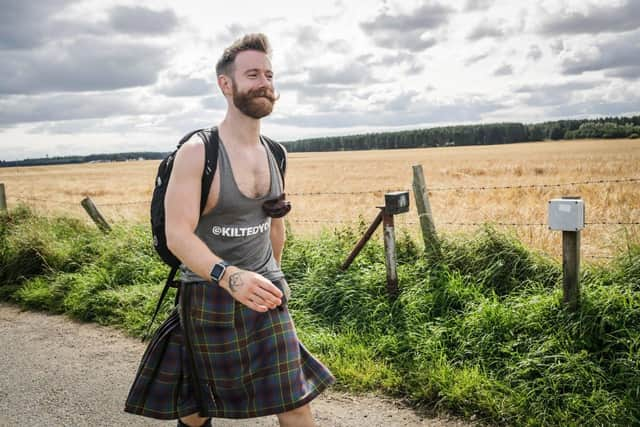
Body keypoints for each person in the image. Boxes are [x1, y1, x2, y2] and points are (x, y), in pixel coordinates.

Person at [124, 33, 335, 427]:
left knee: (295, 403)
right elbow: (178, 235)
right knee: (195, 408)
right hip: (207, 295)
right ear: (226, 84)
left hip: (265, 296)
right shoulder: (197, 152)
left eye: (270, 75)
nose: (265, 84)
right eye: (252, 74)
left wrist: (273, 275)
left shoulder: (276, 153)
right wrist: (230, 276)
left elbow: (276, 224)